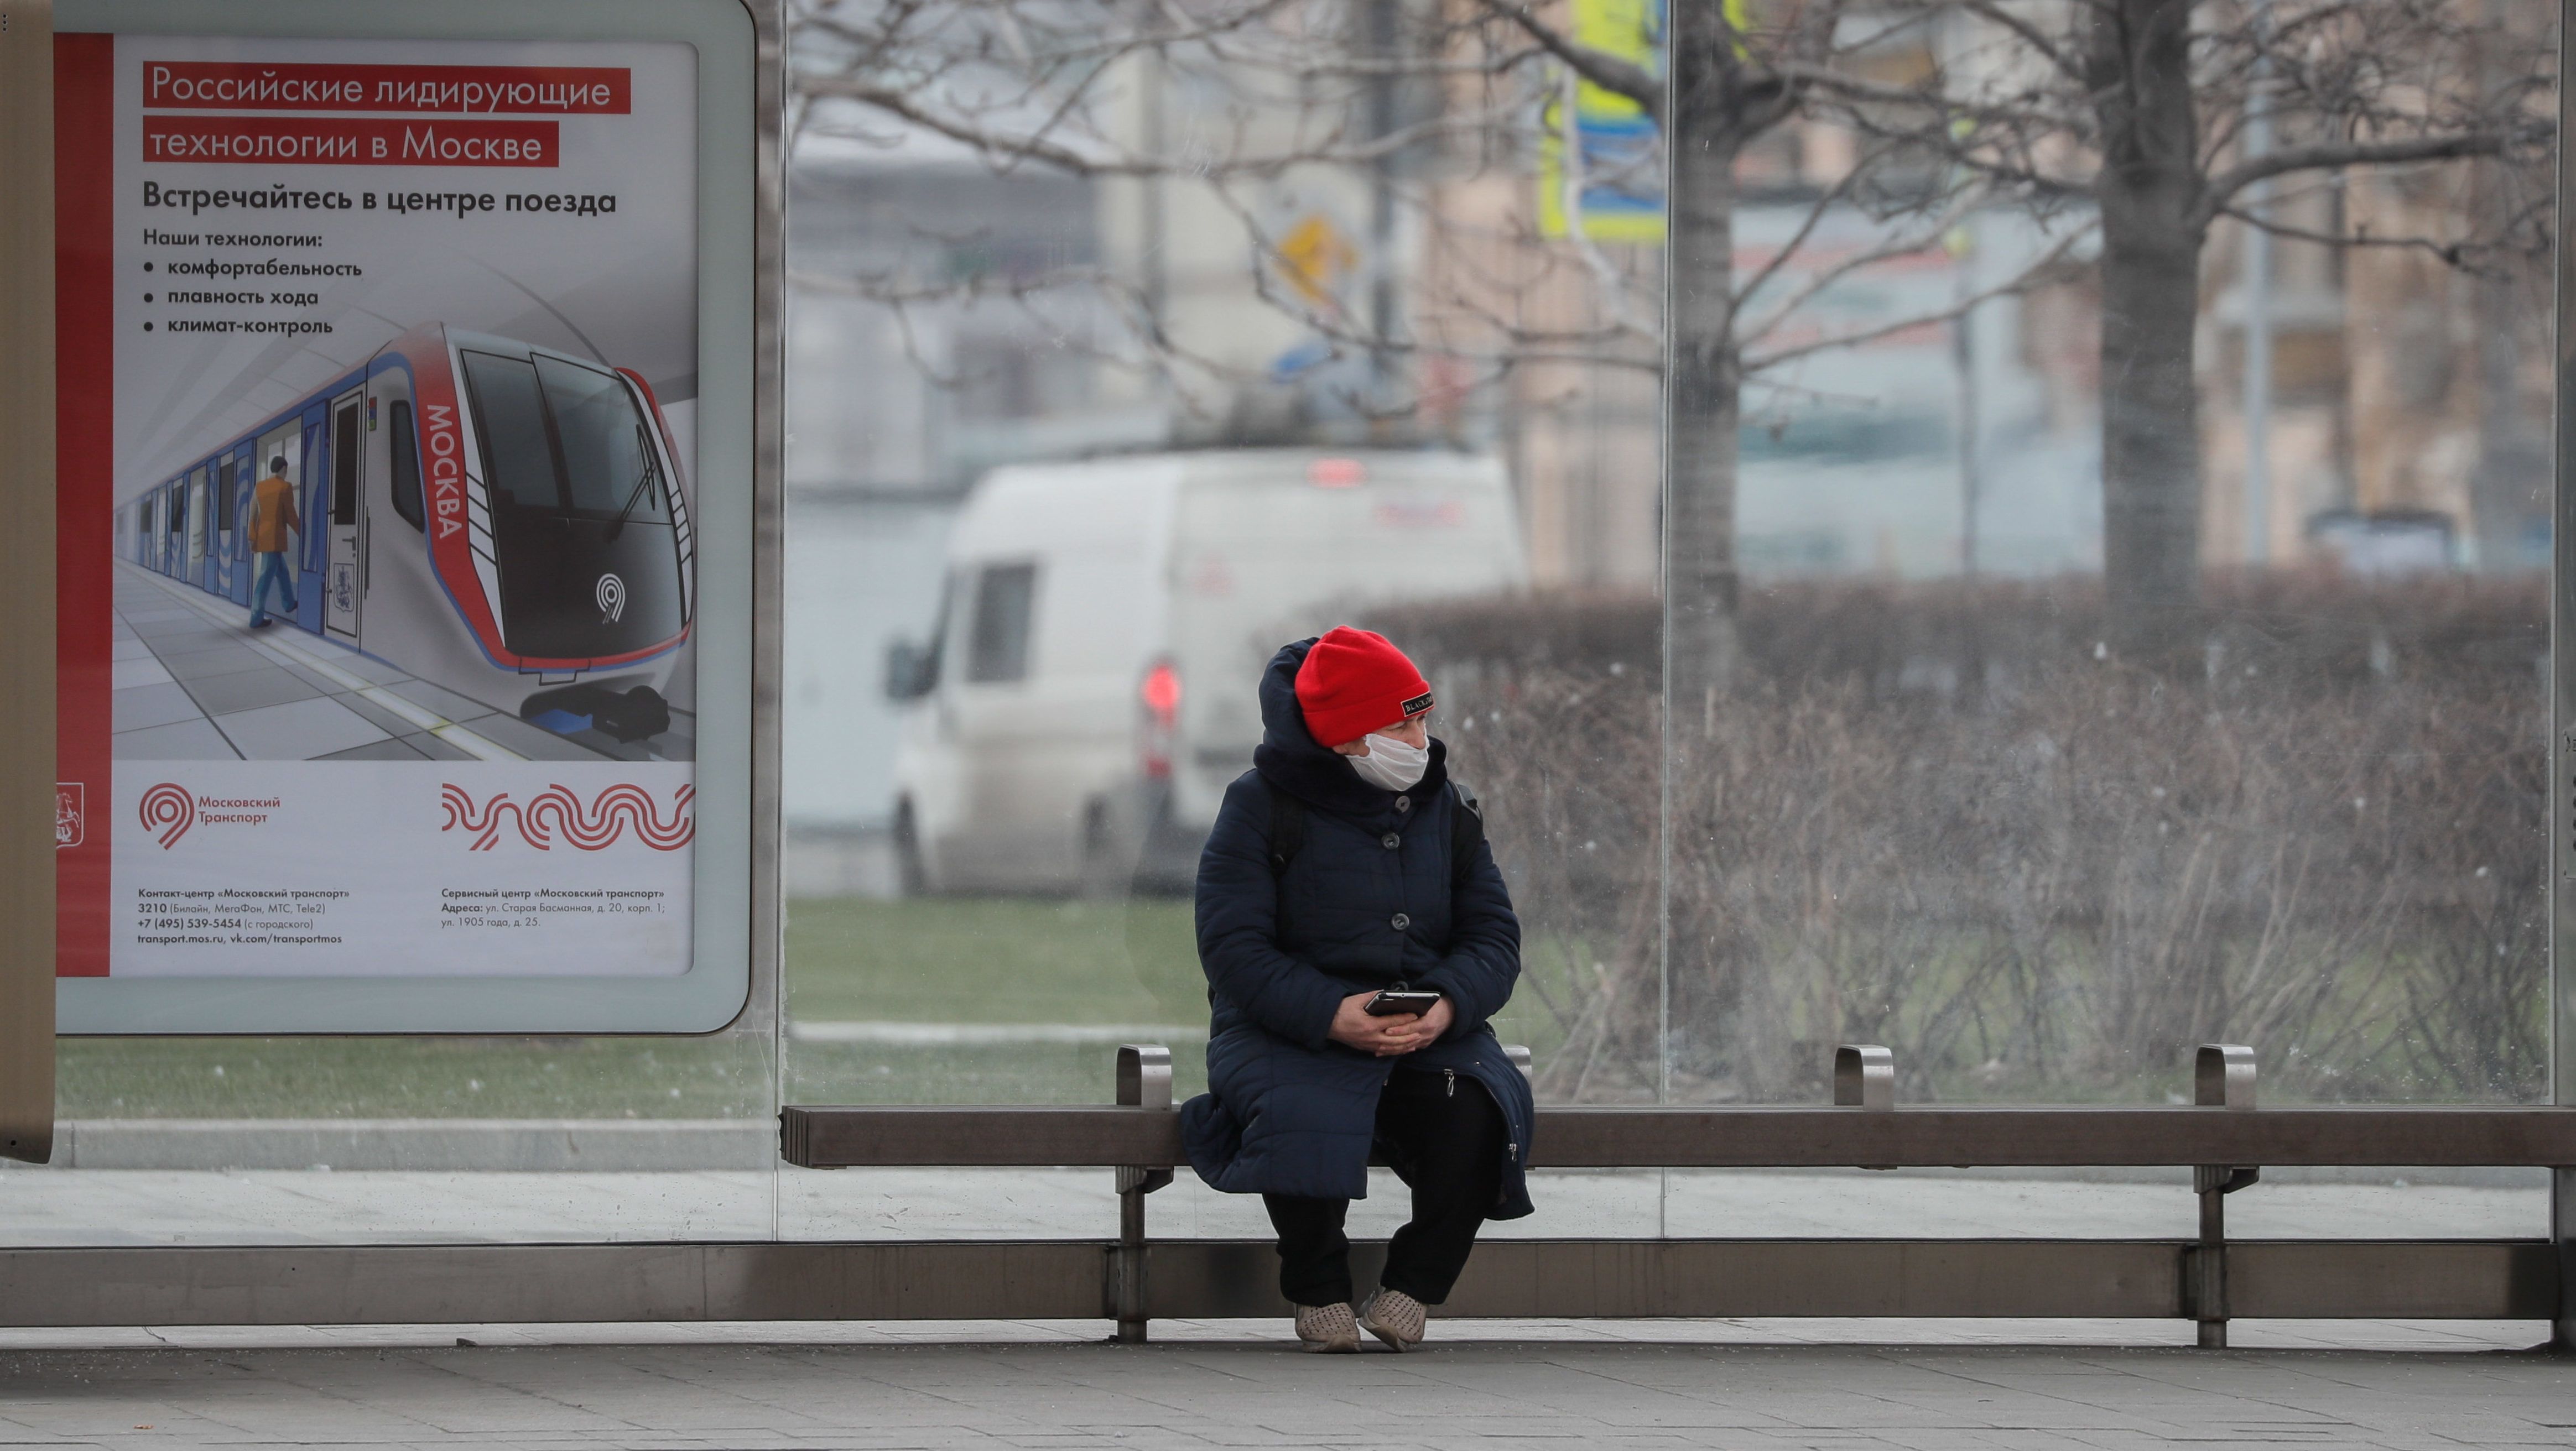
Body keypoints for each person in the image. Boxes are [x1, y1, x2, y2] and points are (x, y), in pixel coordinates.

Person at [1181, 626, 1533, 1354]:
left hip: (1426, 1025)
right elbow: (1232, 947)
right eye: (1400, 723)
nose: (1419, 737)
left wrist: (1446, 1005)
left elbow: (1493, 937)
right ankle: (1316, 1289)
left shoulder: (1450, 807)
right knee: (1300, 1105)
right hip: (1286, 1025)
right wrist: (1328, 1014)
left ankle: (1413, 1288)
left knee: (1478, 1108)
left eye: (1423, 718)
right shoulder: (1258, 805)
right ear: (1343, 736)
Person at [246, 455, 301, 629]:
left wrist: (252, 538)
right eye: (286, 470)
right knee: (265, 578)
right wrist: (303, 533)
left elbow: (253, 514)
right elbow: (290, 515)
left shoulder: (259, 487)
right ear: (283, 469)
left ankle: (289, 603)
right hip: (276, 539)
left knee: (282, 571)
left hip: (264, 538)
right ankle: (256, 618)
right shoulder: (285, 487)